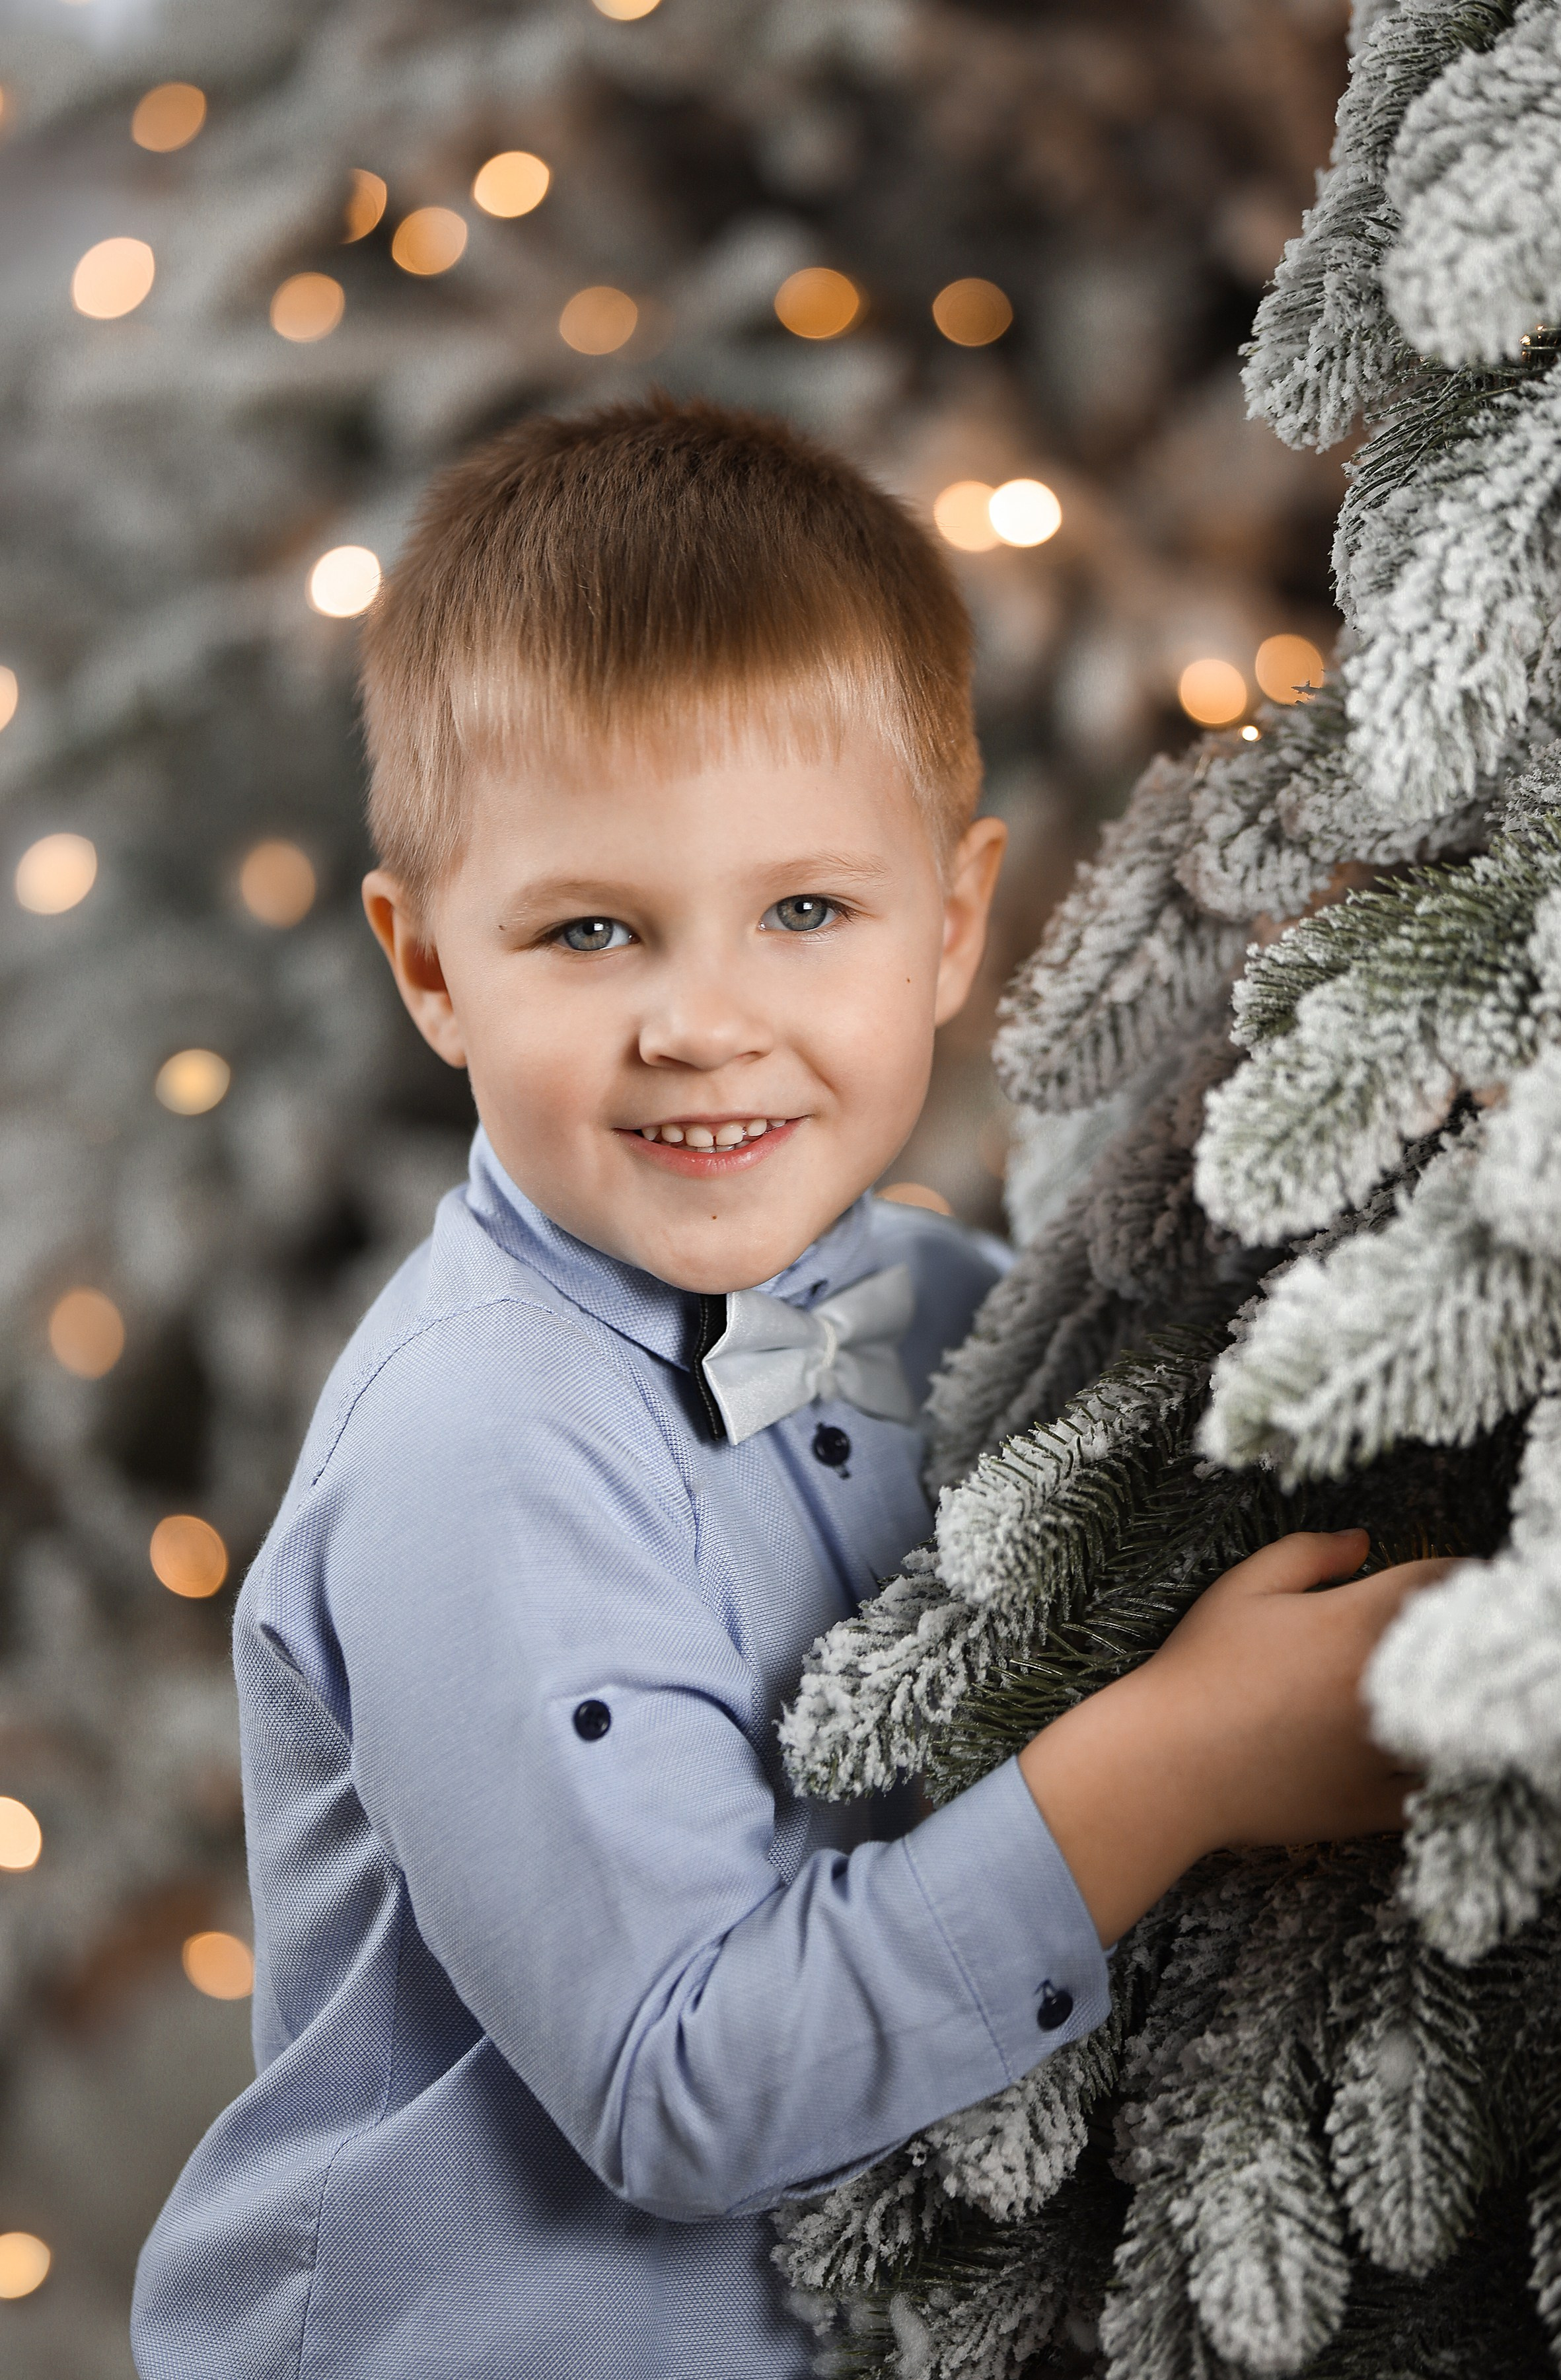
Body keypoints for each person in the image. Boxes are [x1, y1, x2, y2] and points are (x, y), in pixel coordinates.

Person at [131, 400, 1440, 2380]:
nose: (704, 1022)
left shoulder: (936, 1298)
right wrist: (1179, 1759)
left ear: (953, 920)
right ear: (429, 967)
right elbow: (689, 2082)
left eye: (804, 910)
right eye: (590, 930)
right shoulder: (481, 1445)